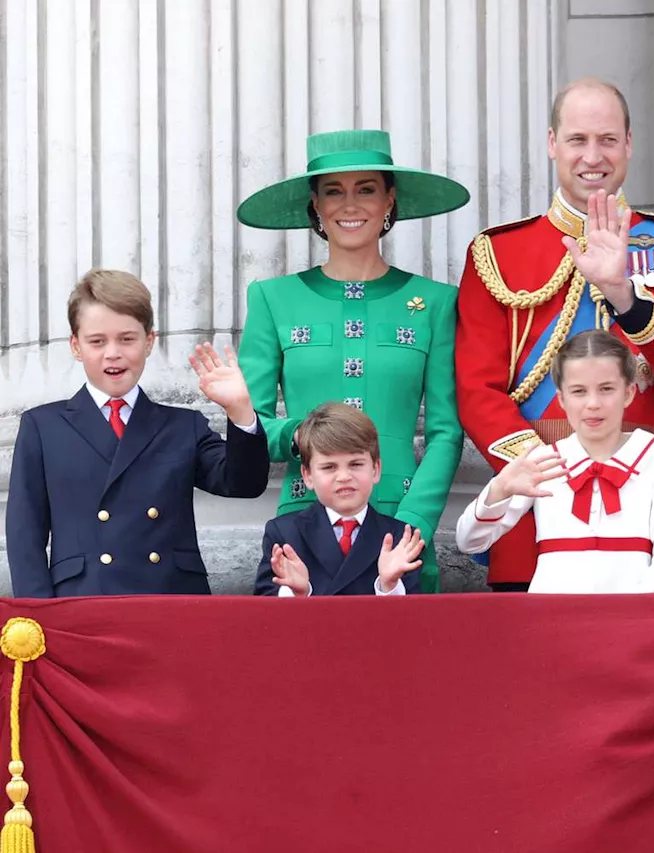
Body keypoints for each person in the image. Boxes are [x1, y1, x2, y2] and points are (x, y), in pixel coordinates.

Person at [455, 77, 654, 592]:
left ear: (629, 143)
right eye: (577, 140)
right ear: (553, 143)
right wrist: (545, 473)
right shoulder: (498, 253)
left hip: (644, 505)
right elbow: (475, 389)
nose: (592, 156)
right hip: (537, 509)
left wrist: (626, 297)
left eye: (607, 139)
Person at [236, 129, 467, 593]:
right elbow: (250, 422)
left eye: (366, 189)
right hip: (304, 525)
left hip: (402, 529)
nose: (350, 204)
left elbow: (446, 431)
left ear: (389, 200)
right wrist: (300, 433)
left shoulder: (436, 302)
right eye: (333, 192)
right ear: (315, 205)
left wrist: (412, 522)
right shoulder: (272, 299)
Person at [6, 270, 269, 597]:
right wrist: (38, 618)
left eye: (127, 339)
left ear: (149, 342)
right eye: (97, 341)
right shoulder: (43, 427)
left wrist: (240, 410)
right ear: (75, 345)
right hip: (82, 603)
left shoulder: (183, 426)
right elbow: (24, 534)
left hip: (170, 602)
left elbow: (244, 484)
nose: (113, 352)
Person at [455, 330, 654, 593]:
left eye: (606, 389)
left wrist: (634, 615)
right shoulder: (544, 460)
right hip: (552, 621)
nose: (593, 403)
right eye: (578, 391)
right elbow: (469, 541)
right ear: (562, 399)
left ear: (629, 393)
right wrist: (499, 489)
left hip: (633, 621)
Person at [254, 402, 426, 597]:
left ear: (376, 470)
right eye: (329, 467)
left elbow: (414, 620)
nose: (344, 476)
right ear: (308, 475)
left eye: (355, 464)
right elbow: (263, 614)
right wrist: (298, 593)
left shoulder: (401, 538)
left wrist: (389, 586)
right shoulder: (285, 534)